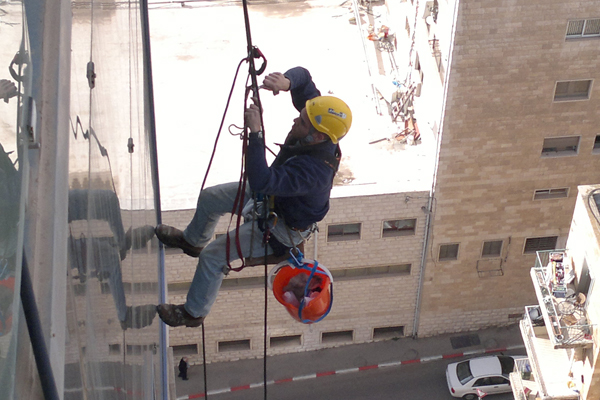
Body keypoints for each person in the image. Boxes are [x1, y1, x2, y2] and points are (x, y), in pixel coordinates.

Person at [155, 66, 352, 327]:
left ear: (317, 135)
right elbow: (303, 76)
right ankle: (192, 241)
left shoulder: (313, 173)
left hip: (279, 227)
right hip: (272, 199)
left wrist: (256, 133)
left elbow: (263, 179)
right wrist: (287, 81)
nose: (296, 120)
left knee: (213, 257)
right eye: (302, 115)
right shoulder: (321, 126)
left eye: (302, 122)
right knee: (211, 197)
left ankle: (192, 313)